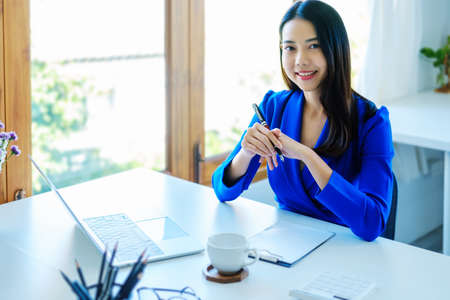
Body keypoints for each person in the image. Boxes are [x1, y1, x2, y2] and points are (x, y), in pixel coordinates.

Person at [212, 0, 394, 242]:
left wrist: (307, 156)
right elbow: (222, 191)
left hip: (344, 251)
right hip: (285, 246)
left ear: (335, 49)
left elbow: (372, 223)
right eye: (290, 48)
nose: (300, 60)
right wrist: (246, 152)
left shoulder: (371, 121)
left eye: (313, 46)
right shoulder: (273, 107)